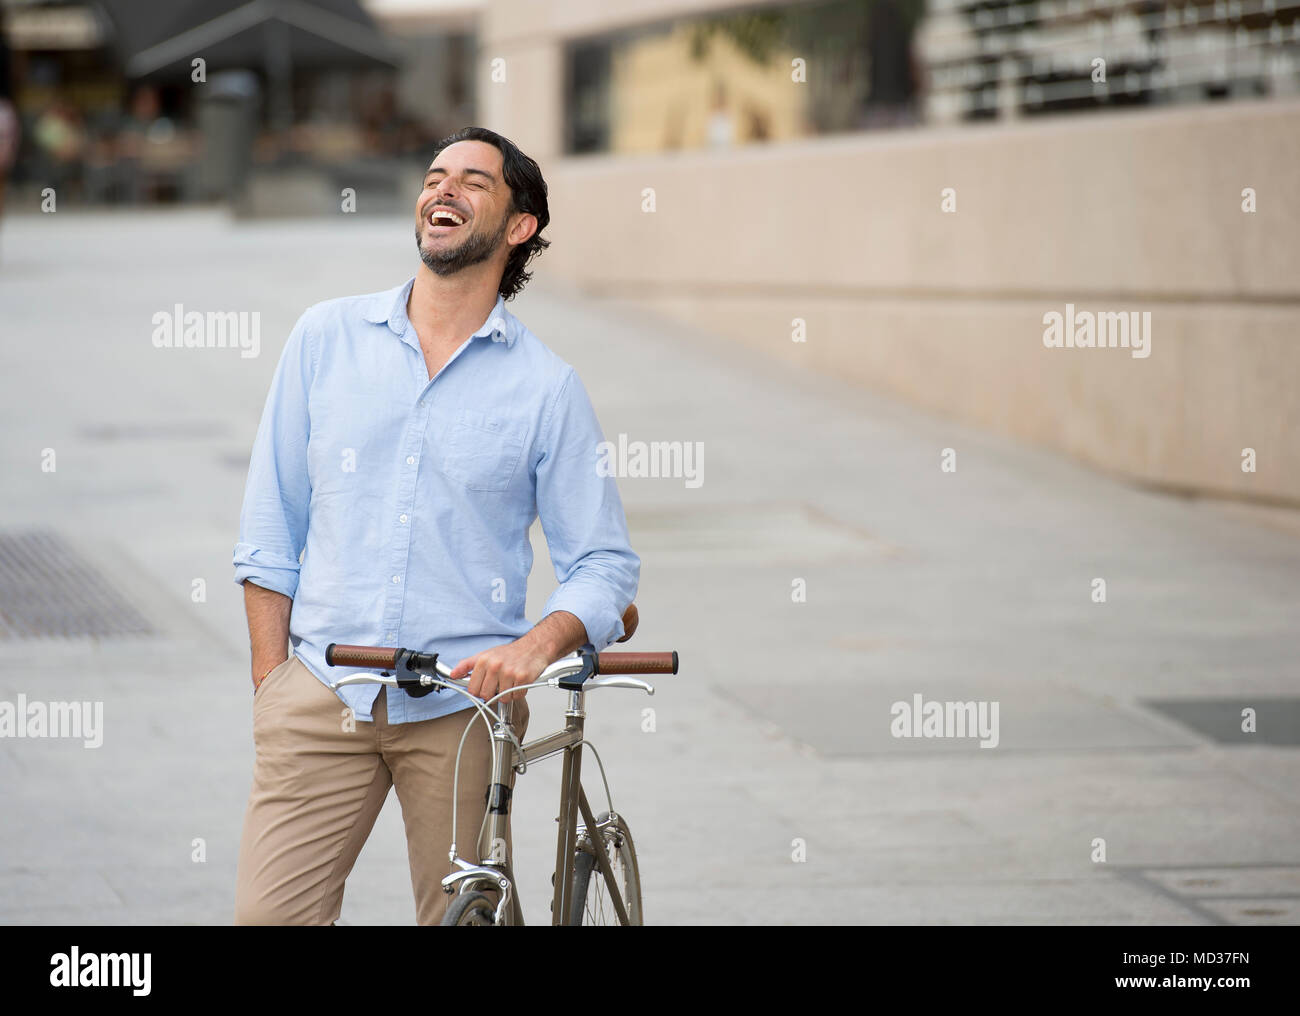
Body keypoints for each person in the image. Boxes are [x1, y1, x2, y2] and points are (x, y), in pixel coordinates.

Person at [232, 126, 640, 925]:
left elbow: (602, 562)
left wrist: (532, 648)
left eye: (473, 182)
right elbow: (270, 525)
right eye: (434, 177)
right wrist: (271, 683)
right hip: (324, 690)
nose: (442, 190)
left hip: (463, 714)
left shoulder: (545, 389)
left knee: (467, 919)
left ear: (519, 226)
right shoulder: (326, 339)